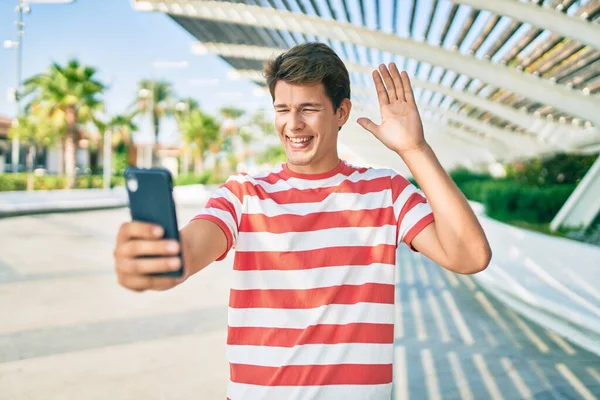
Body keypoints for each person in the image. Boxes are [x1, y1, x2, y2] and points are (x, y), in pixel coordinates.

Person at [113, 42, 491, 399]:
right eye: (282, 109)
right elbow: (190, 250)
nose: (292, 124)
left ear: (341, 112)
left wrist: (414, 149)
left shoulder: (385, 192)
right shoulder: (244, 194)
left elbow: (470, 257)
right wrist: (154, 263)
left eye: (308, 108)